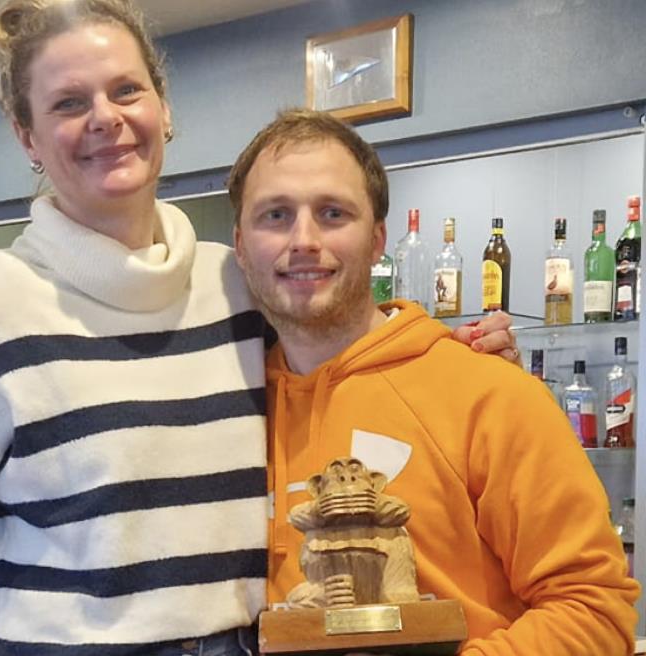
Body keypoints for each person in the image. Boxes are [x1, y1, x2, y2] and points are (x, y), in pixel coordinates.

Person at [0, 2, 519, 654]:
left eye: (126, 89)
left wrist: (462, 359)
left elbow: (346, 351)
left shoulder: (235, 290)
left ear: (162, 107)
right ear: (28, 137)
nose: (105, 117)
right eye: (68, 103)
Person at [228, 109, 641, 655]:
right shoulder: (227, 408)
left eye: (332, 213)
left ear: (377, 240)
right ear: (239, 244)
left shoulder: (492, 396)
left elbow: (594, 608)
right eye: (275, 215)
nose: (303, 239)